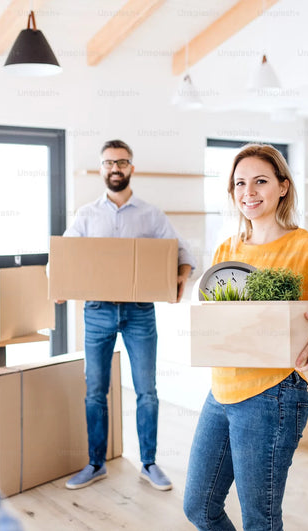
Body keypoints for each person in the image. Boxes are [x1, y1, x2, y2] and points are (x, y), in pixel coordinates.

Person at [183, 144, 308, 531]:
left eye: (260, 181)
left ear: (283, 187)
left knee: (260, 522)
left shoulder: (307, 248)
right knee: (199, 509)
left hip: (272, 397)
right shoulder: (227, 249)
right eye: (239, 183)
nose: (248, 192)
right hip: (221, 391)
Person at [63, 139, 196, 491]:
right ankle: (95, 464)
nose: (115, 168)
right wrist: (59, 285)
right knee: (95, 391)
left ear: (131, 167)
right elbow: (65, 257)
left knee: (146, 391)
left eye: (121, 162)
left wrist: (182, 276)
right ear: (101, 169)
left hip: (140, 314)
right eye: (108, 163)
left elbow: (182, 251)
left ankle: (149, 463)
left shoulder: (151, 215)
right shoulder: (86, 215)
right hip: (97, 312)